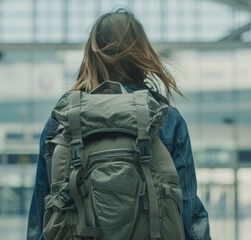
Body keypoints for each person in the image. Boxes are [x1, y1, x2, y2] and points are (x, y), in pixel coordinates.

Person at [26, 8, 211, 240]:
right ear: (141, 52)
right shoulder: (165, 118)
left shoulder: (62, 120)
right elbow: (189, 211)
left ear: (91, 56)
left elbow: (40, 213)